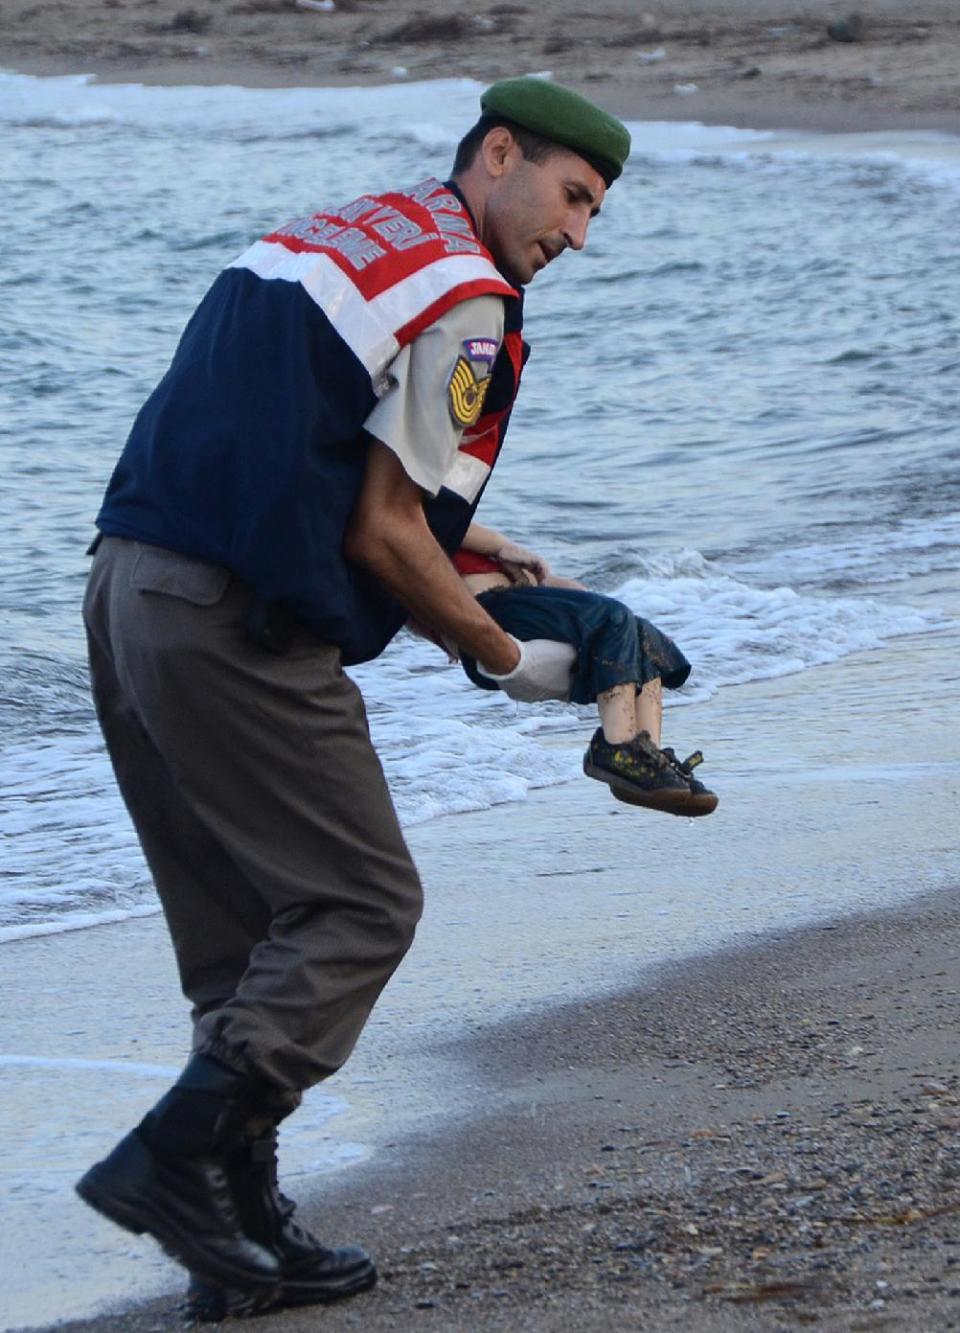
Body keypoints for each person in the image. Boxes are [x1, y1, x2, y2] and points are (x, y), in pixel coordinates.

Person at [75, 78, 632, 1320]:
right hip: (235, 625)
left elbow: (297, 440)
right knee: (359, 902)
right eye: (574, 196)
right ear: (500, 153)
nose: (578, 236)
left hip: (128, 591)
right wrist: (499, 653)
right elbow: (384, 534)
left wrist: (476, 547)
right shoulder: (473, 302)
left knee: (240, 941)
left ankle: (236, 1243)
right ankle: (171, 1159)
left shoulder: (347, 229)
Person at [449, 522, 718, 816]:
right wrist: (503, 546)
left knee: (639, 633)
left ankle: (646, 759)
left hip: (522, 606)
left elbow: (561, 589)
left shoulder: (491, 555)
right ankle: (616, 748)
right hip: (487, 610)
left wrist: (566, 590)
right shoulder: (432, 526)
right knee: (613, 617)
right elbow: (441, 519)